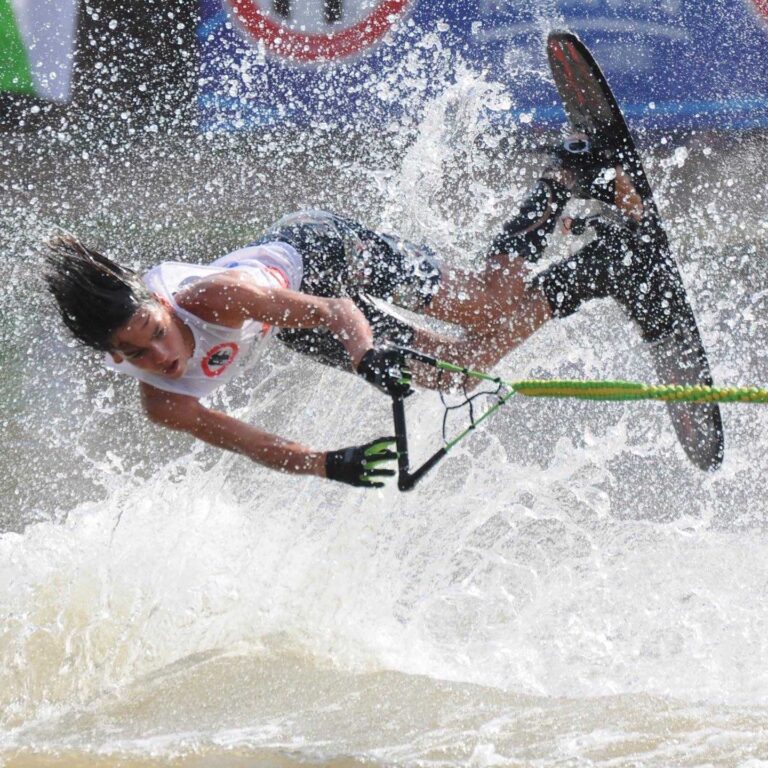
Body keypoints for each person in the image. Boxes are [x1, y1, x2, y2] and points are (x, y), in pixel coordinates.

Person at [45, 139, 692, 488]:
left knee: (484, 307)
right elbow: (251, 444)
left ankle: (613, 262)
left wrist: (364, 352)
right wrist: (329, 464)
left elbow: (333, 308)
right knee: (461, 366)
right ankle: (567, 179)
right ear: (113, 356)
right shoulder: (163, 402)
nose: (161, 357)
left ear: (160, 305)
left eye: (155, 334)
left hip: (325, 254)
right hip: (299, 325)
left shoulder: (214, 297)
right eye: (136, 354)